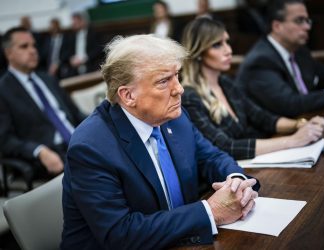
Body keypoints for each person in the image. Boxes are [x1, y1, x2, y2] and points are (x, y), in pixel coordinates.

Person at [61, 34, 260, 249]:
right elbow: (121, 234)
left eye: (177, 75)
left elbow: (212, 157)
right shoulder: (91, 147)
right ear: (128, 96)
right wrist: (210, 211)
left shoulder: (173, 117)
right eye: (163, 81)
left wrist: (237, 182)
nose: (179, 89)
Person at [181, 17, 324, 160]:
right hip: (228, 178)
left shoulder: (225, 83)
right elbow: (226, 147)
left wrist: (301, 124)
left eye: (227, 42)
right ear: (199, 53)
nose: (228, 50)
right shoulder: (189, 96)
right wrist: (292, 141)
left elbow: (262, 118)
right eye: (217, 45)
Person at [235, 0, 324, 117]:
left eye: (307, 21)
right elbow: (289, 104)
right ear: (277, 26)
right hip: (275, 132)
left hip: (307, 121)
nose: (307, 27)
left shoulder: (299, 50)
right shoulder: (260, 60)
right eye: (299, 21)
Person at [0, 27, 85, 176]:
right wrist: (38, 151)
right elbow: (5, 140)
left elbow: (75, 114)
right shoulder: (3, 90)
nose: (33, 50)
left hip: (80, 142)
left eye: (33, 45)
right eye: (24, 46)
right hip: (51, 154)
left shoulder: (48, 79)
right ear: (8, 53)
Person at [60, 12, 101, 78]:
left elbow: (99, 50)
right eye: (73, 22)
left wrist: (85, 58)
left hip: (91, 65)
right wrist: (71, 59)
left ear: (83, 21)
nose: (73, 24)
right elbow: (65, 53)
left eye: (76, 22)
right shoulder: (71, 36)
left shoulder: (94, 33)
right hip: (75, 69)